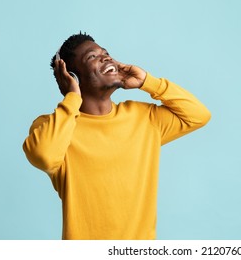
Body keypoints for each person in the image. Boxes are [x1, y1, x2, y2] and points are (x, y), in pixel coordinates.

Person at [22, 32, 211, 240]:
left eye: (106, 53)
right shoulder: (55, 127)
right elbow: (43, 156)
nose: (106, 58)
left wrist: (148, 82)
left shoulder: (144, 118)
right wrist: (72, 97)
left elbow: (198, 115)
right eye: (92, 57)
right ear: (72, 78)